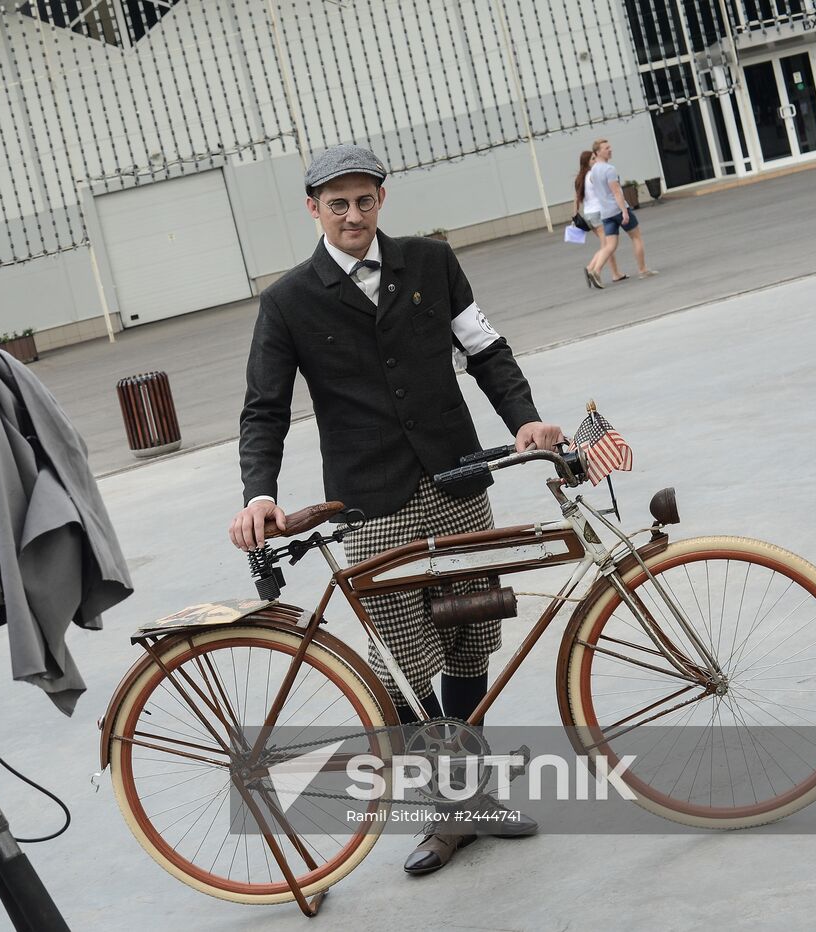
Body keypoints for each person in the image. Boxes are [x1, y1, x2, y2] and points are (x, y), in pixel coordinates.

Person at [230, 144, 564, 876]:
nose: (353, 215)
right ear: (312, 209)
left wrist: (525, 420)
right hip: (371, 502)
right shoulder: (287, 301)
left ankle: (465, 800)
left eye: (365, 201)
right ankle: (452, 808)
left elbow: (485, 348)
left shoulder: (431, 263)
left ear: (383, 199)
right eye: (338, 203)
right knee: (409, 667)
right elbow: (264, 410)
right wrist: (260, 492)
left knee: (473, 637)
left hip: (458, 484)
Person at [585, 138, 657, 287]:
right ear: (597, 152)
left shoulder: (593, 172)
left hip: (605, 213)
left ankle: (596, 270)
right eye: (606, 148)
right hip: (617, 209)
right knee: (636, 237)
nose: (610, 150)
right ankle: (642, 269)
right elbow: (617, 192)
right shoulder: (609, 169)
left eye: (610, 147)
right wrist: (624, 211)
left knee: (610, 245)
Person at [574, 149, 624, 287]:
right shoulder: (592, 175)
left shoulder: (580, 178)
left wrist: (575, 214)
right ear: (587, 162)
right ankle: (592, 268)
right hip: (598, 214)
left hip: (588, 215)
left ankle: (615, 273)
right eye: (592, 159)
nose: (595, 161)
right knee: (608, 246)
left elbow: (576, 198)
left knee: (606, 245)